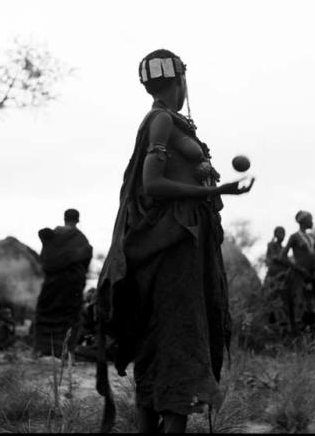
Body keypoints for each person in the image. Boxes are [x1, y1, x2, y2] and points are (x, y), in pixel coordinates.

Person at [96, 49, 255, 433]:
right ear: (180, 80)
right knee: (178, 340)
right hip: (172, 254)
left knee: (163, 341)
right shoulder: (162, 121)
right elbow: (152, 184)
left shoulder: (169, 122)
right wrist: (219, 192)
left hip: (175, 250)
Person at [33, 208, 93, 358]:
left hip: (51, 285)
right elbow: (86, 259)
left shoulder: (53, 236)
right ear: (78, 220)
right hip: (71, 286)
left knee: (45, 315)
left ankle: (41, 349)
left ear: (64, 218)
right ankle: (65, 352)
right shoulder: (80, 239)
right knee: (69, 317)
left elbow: (44, 259)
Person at [281, 210, 315, 330]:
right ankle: (299, 331)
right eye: (310, 219)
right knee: (302, 304)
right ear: (303, 221)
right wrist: (298, 268)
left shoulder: (311, 237)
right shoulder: (294, 237)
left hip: (312, 275)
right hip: (300, 276)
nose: (312, 222)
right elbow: (283, 256)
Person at [263, 226, 301, 333]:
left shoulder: (283, 249)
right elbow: (276, 258)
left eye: (283, 233)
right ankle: (274, 326)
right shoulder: (271, 245)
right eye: (280, 233)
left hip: (284, 279)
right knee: (274, 302)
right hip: (274, 278)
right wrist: (290, 264)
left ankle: (288, 326)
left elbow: (286, 260)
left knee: (286, 302)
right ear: (275, 234)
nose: (282, 235)